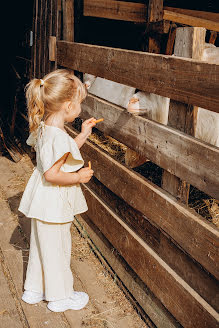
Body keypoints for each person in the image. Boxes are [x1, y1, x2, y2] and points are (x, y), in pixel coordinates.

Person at [18, 69, 96, 312]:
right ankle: (60, 297)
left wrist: (83, 134)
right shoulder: (59, 136)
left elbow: (60, 153)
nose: (80, 108)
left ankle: (34, 289)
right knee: (59, 249)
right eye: (80, 103)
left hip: (41, 200)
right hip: (54, 203)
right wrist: (78, 177)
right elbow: (53, 173)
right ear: (68, 105)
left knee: (42, 245)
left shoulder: (43, 127)